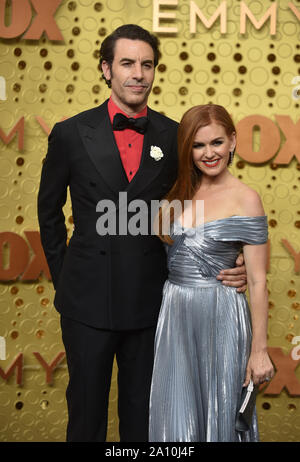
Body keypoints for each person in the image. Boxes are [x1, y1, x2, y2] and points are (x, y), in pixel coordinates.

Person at [38, 25, 247, 442]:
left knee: (146, 419)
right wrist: (69, 281)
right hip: (86, 303)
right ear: (106, 69)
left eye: (147, 64)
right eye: (128, 63)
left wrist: (232, 260)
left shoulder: (174, 136)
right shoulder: (70, 133)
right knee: (85, 415)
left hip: (153, 304)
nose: (138, 74)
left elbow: (202, 203)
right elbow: (49, 215)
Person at [149, 104, 274, 442]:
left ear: (232, 141)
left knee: (221, 414)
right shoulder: (175, 194)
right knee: (176, 416)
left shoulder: (247, 198)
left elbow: (260, 279)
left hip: (222, 316)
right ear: (187, 149)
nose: (209, 153)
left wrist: (259, 350)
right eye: (198, 145)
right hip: (174, 314)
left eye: (217, 142)